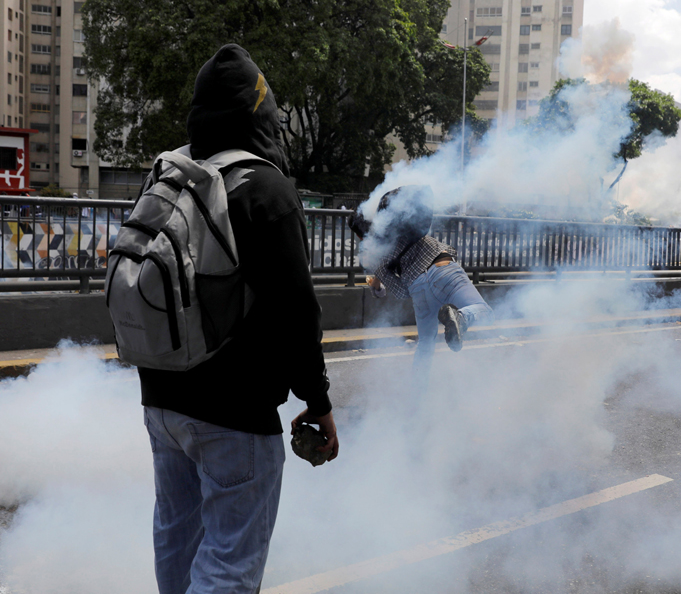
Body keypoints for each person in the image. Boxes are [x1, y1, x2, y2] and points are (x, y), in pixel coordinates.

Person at [138, 44, 338, 594]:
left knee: (177, 540)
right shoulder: (266, 189)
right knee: (228, 563)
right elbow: (297, 312)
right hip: (234, 415)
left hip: (161, 400)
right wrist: (317, 402)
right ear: (261, 113)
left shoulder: (168, 175)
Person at [349, 185, 494, 382]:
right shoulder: (407, 226)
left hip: (418, 288)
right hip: (442, 269)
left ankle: (416, 398)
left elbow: (401, 292)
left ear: (360, 236)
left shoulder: (378, 257)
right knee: (483, 311)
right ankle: (461, 317)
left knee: (425, 344)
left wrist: (375, 283)